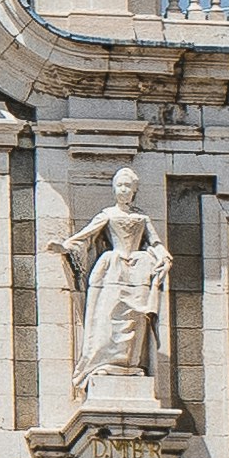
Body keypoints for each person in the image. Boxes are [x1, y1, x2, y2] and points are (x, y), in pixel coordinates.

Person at [59, 166, 171, 392]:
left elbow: (155, 243)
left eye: (128, 186)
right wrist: (65, 246)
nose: (123, 189)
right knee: (109, 316)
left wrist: (164, 257)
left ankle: (130, 364)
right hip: (112, 269)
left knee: (136, 319)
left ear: (134, 190)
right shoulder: (108, 215)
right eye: (120, 185)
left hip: (138, 270)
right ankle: (106, 361)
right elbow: (85, 236)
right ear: (114, 189)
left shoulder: (142, 218)